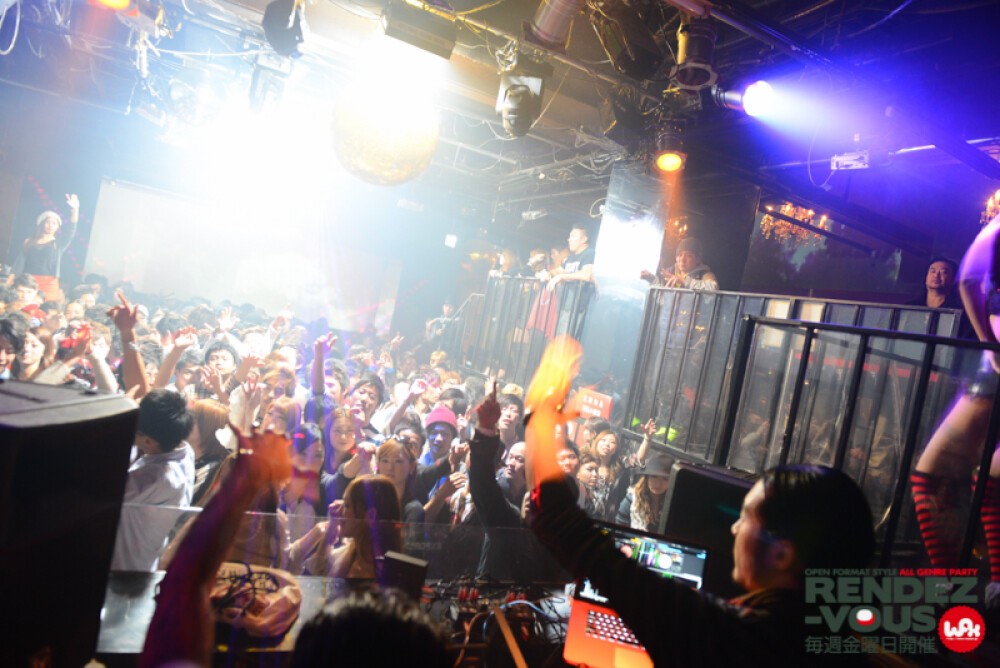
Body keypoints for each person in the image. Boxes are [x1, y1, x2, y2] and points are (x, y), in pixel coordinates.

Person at [530, 461, 876, 666]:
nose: (734, 528)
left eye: (746, 517)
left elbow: (583, 543)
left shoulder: (740, 640)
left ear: (782, 555)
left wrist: (541, 418)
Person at [912, 217, 1000, 605]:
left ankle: (951, 585)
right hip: (991, 370)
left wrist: (988, 344)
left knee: (933, 477)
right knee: (988, 478)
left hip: (993, 368)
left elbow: (968, 279)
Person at [110, 389, 195, 571]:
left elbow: (101, 489)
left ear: (148, 441)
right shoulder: (184, 450)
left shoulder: (155, 479)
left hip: (126, 570)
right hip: (143, 560)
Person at [8, 194, 80, 302]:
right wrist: (10, 279)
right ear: (42, 224)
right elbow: (19, 262)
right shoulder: (29, 241)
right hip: (28, 281)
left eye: (54, 223)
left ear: (57, 227)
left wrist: (75, 209)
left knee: (45, 307)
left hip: (49, 283)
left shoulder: (59, 243)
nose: (50, 225)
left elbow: (71, 228)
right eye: (48, 222)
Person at [905, 256, 974, 338]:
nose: (936, 275)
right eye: (932, 271)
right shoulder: (911, 307)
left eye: (944, 272)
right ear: (926, 277)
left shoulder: (961, 312)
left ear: (953, 280)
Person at [641, 236, 720, 290]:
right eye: (680, 255)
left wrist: (684, 281)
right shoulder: (671, 271)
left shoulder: (703, 273)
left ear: (698, 259)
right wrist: (651, 278)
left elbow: (714, 287)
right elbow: (662, 288)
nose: (682, 259)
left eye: (689, 256)